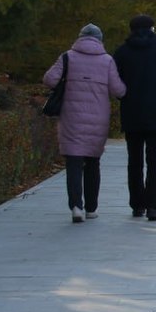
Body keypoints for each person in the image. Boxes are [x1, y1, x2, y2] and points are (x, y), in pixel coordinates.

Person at [42, 24, 126, 223]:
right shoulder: (107, 61)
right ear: (99, 39)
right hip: (98, 118)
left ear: (80, 38)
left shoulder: (67, 57)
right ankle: (91, 208)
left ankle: (76, 207)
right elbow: (119, 90)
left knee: (73, 162)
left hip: (71, 116)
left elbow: (49, 79)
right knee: (93, 163)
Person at [113, 14, 156, 221]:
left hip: (132, 114)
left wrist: (122, 97)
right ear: (152, 28)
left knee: (133, 160)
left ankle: (137, 204)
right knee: (155, 161)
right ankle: (153, 206)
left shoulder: (122, 51)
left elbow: (115, 83)